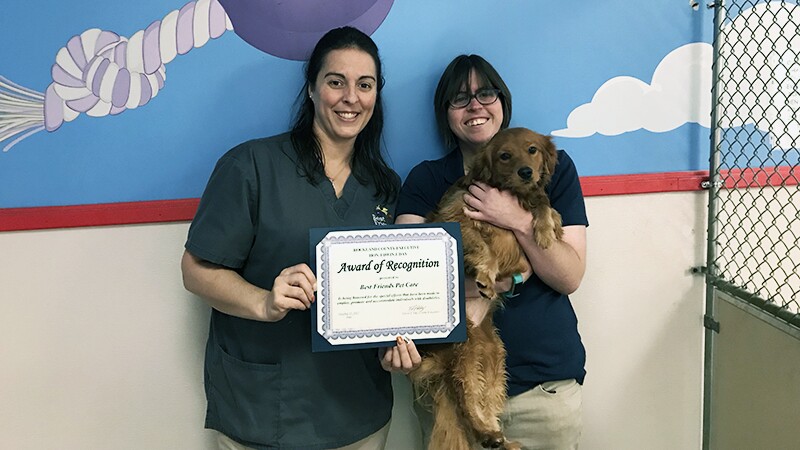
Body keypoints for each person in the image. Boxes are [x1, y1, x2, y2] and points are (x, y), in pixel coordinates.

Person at [181, 26, 400, 450]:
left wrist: (401, 343)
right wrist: (263, 302)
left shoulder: (386, 187)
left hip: (359, 413)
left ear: (376, 95)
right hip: (265, 412)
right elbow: (196, 270)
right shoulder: (253, 165)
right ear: (313, 89)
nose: (351, 97)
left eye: (365, 85)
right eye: (336, 82)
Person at [385, 54, 588, 449]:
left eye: (486, 93)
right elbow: (407, 276)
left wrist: (516, 220)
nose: (475, 105)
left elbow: (569, 275)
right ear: (445, 113)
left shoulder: (554, 169)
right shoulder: (427, 179)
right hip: (454, 380)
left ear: (503, 101)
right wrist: (473, 290)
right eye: (460, 98)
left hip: (543, 387)